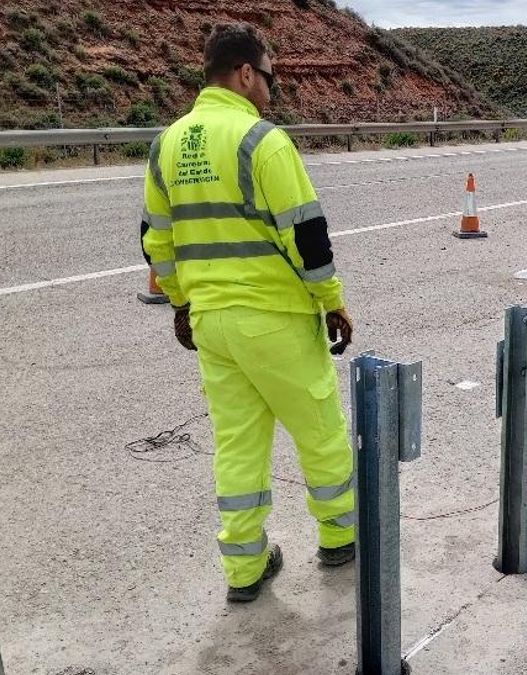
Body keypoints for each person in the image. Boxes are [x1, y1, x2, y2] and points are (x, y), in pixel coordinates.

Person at [142, 23, 357, 603]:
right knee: (320, 430)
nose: (272, 87)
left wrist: (184, 305)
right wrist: (332, 302)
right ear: (244, 74)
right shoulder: (263, 141)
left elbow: (156, 242)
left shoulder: (167, 144)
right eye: (270, 76)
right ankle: (340, 537)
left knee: (237, 443)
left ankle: (244, 568)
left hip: (212, 324)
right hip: (274, 318)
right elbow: (308, 237)